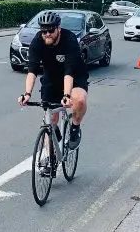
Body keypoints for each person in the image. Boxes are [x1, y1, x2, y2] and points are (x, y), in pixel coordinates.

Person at [18, 11, 88, 151]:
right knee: (51, 119)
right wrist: (27, 94)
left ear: (58, 28)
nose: (47, 34)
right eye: (44, 31)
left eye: (51, 30)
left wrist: (66, 95)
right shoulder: (37, 42)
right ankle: (49, 155)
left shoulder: (69, 39)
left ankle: (75, 128)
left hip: (74, 76)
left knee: (79, 100)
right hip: (51, 78)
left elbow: (69, 71)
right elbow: (32, 71)